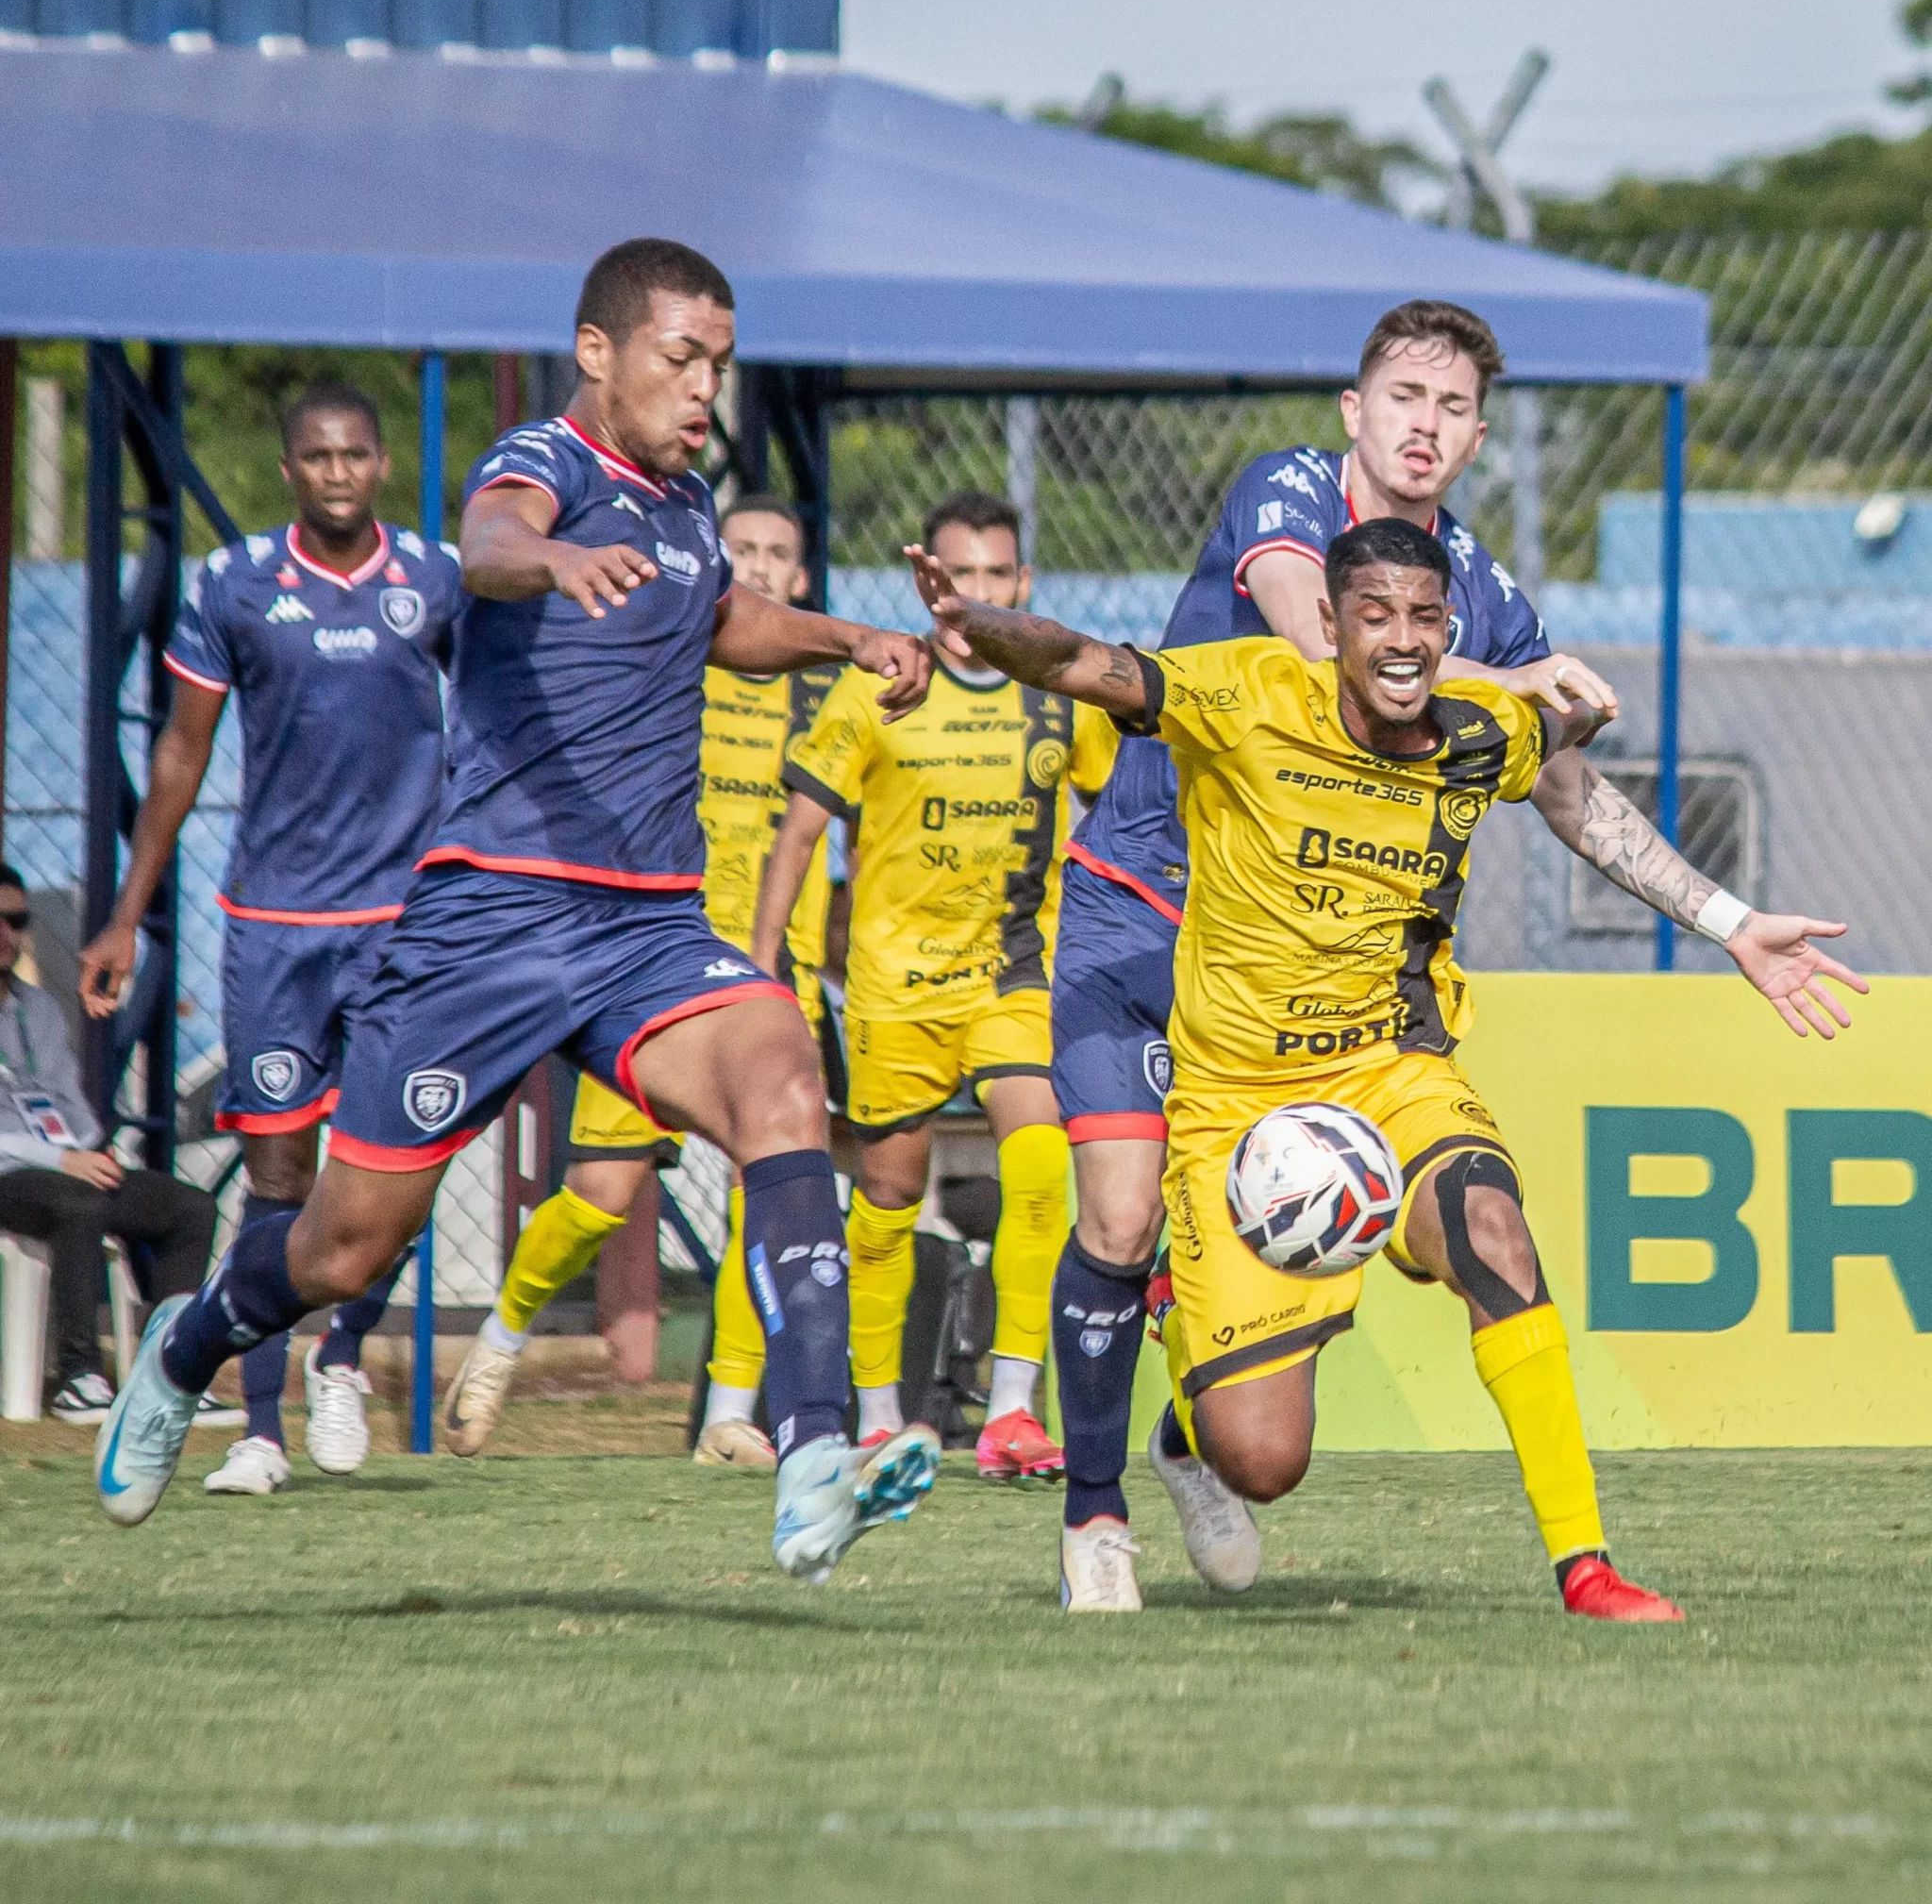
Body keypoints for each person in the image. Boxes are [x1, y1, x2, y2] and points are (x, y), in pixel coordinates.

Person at [93, 238, 942, 1589]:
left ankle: (816, 1455)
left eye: (720, 363)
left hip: (650, 927)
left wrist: (849, 639)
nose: (705, 386)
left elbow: (715, 616)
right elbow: (488, 545)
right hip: (489, 926)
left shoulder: (680, 508)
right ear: (598, 351)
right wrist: (546, 561)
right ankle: (190, 1350)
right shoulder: (541, 465)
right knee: (341, 1243)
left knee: (783, 1078)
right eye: (682, 357)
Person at [1039, 298, 1860, 1611]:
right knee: (1122, 1213)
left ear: (1480, 438)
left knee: (1457, 1249)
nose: (1427, 425)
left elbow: (1567, 788)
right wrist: (1497, 683)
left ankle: (1242, 1437)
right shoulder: (1289, 494)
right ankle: (1092, 1515)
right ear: (1354, 413)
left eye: (1455, 407)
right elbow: (1323, 647)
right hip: (1149, 912)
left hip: (1345, 986)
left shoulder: (1477, 589)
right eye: (1405, 397)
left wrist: (1724, 922)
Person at [78, 383, 460, 1497]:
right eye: (317, 457)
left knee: (405, 1163)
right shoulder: (233, 581)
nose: (338, 472)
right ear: (289, 469)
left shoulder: (433, 580)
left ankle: (342, 1360)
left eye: (355, 455)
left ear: (380, 464)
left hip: (405, 924)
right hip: (277, 930)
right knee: (279, 1170)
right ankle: (259, 1428)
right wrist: (121, 915)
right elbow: (181, 756)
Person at [438, 496, 841, 1471]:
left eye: (775, 554)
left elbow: (820, 840)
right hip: (644, 960)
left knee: (769, 1180)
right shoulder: (663, 672)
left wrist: (803, 960)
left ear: (796, 578)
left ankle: (729, 1415)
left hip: (756, 984)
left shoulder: (810, 700)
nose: (754, 563)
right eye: (737, 547)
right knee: (600, 1193)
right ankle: (499, 1340)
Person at [753, 490, 1115, 1480]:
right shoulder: (880, 683)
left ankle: (1008, 1411)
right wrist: (761, 967)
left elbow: (1118, 811)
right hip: (893, 987)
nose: (979, 594)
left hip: (1015, 975)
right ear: (930, 582)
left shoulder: (1057, 691)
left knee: (1042, 1160)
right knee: (886, 1194)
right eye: (961, 577)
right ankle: (875, 1416)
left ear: (1023, 586)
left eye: (999, 576)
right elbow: (797, 833)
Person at [0, 868, 225, 1424]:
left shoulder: (40, 1009)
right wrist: (62, 1158)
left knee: (188, 1207)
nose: (8, 933)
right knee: (79, 1202)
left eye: (17, 921)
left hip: (64, 1163)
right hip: (13, 1172)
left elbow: (64, 1101)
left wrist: (89, 1150)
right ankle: (79, 1375)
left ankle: (172, 1372)